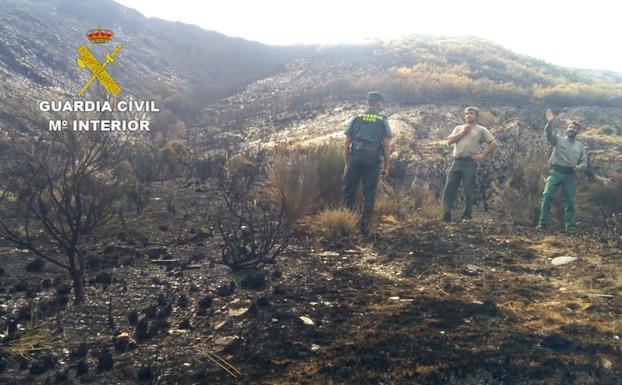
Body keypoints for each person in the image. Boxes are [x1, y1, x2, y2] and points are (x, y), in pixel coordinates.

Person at [342, 91, 392, 236]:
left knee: (348, 191)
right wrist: (386, 166)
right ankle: (366, 226)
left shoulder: (356, 118)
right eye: (382, 103)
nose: (383, 105)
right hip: (372, 157)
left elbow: (346, 144)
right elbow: (387, 145)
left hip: (355, 156)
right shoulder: (382, 120)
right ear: (377, 103)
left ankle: (346, 223)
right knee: (369, 192)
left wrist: (347, 163)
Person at [442, 106, 497, 222]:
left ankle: (466, 217)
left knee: (469, 190)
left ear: (476, 116)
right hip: (456, 162)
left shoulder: (481, 130)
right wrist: (464, 131)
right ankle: (446, 214)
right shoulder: (459, 128)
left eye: (471, 113)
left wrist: (482, 155)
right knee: (449, 188)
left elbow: (493, 143)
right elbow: (449, 141)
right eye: (466, 113)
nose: (468, 115)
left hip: (469, 163)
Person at [536, 109, 586, 233]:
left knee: (570, 201)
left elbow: (584, 162)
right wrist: (549, 124)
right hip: (556, 172)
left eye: (574, 128)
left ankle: (570, 228)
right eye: (570, 127)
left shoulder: (580, 146)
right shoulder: (558, 140)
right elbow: (548, 135)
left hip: (570, 175)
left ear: (577, 131)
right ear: (566, 129)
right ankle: (542, 225)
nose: (571, 129)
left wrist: (579, 167)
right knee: (547, 196)